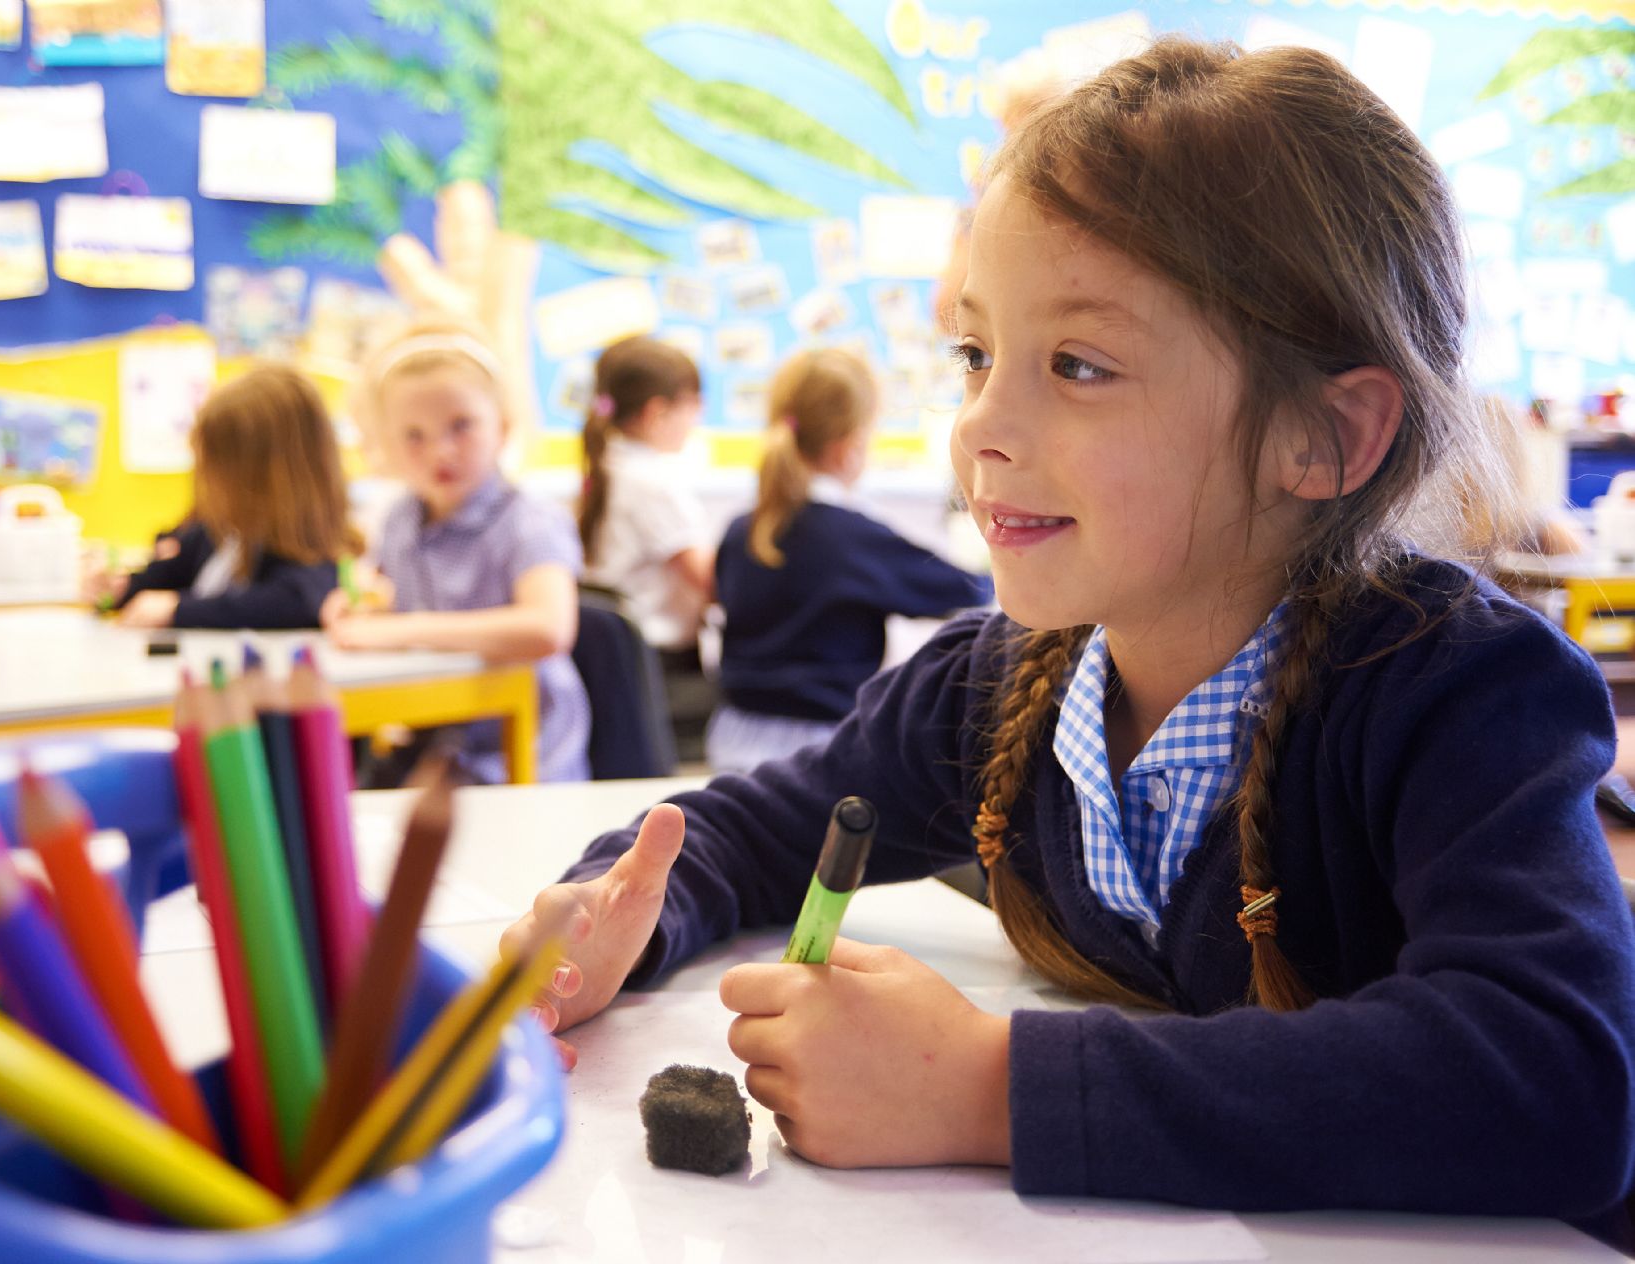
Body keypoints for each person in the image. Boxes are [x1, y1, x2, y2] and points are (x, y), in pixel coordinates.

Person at [500, 37, 1635, 1239]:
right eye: (976, 355)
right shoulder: (993, 686)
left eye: (1078, 365)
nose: (980, 426)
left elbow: (1557, 1075)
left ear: (1322, 437)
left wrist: (989, 1087)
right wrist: (616, 906)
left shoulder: (1454, 694)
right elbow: (759, 824)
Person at [323, 314, 590, 784]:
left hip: (522, 759)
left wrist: (407, 629)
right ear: (386, 443)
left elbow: (549, 627)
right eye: (414, 436)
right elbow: (385, 605)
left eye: (461, 426)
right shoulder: (400, 519)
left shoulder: (530, 520)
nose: (440, 452)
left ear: (503, 428)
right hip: (436, 749)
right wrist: (360, 604)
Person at [708, 347, 990, 773]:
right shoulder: (851, 537)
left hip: (731, 736)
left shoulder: (739, 530)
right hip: (819, 752)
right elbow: (968, 591)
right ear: (850, 446)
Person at [95, 364, 350, 629]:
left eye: (214, 471)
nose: (206, 485)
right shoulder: (218, 532)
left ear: (257, 476)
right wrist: (123, 587)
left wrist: (179, 610)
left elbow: (294, 602)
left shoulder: (309, 552)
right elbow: (167, 575)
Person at [576, 335, 715, 759]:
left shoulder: (608, 468)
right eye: (693, 405)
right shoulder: (652, 482)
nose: (697, 419)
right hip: (661, 675)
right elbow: (711, 582)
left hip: (621, 673)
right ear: (657, 412)